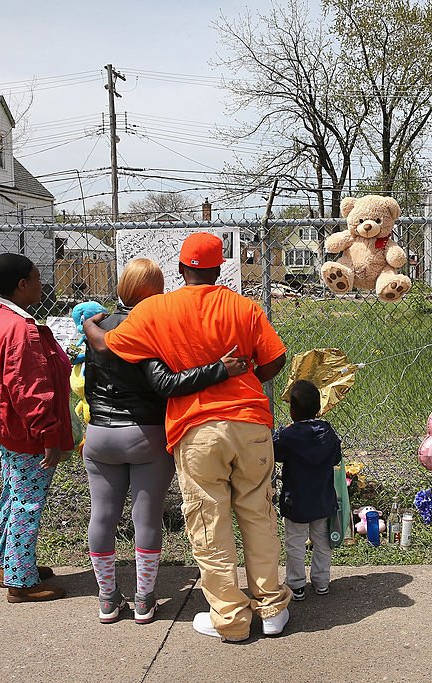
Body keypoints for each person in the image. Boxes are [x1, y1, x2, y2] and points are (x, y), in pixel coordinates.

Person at [84, 232, 292, 642]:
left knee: (208, 521)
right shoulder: (244, 307)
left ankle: (230, 618)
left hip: (197, 429)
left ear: (181, 270)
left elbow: (107, 345)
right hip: (250, 423)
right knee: (258, 514)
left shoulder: (158, 310)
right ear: (220, 271)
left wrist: (90, 325)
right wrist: (247, 373)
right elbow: (276, 360)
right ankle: (271, 610)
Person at [0, 253, 72, 603]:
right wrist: (49, 435)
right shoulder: (21, 330)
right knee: (27, 503)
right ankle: (20, 582)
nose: (41, 282)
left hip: (5, 426)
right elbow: (29, 389)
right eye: (36, 277)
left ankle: (14, 565)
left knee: (13, 495)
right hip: (27, 432)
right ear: (22, 285)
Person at [273, 380, 342, 600]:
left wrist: (279, 433)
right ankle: (321, 581)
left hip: (297, 501)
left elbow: (275, 452)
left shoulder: (289, 436)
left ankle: (296, 584)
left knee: (295, 542)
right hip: (322, 499)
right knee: (322, 541)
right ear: (319, 408)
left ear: (293, 411)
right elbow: (336, 458)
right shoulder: (328, 433)